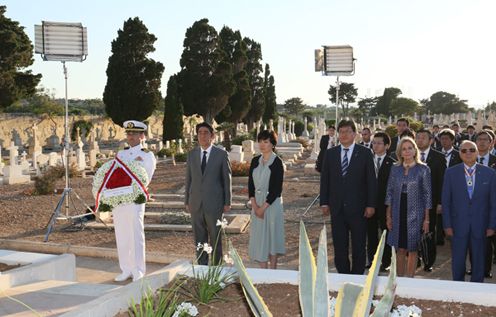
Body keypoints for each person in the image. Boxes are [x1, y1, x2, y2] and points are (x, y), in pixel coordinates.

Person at [320, 119, 377, 274]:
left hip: (359, 209)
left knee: (359, 245)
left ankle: (357, 277)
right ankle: (343, 276)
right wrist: (324, 202)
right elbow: (325, 179)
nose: (344, 135)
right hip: (337, 209)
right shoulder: (331, 153)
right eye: (341, 132)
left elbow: (371, 180)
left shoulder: (365, 153)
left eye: (347, 132)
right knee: (340, 245)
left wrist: (371, 204)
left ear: (354, 134)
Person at [442, 141, 496, 282]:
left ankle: (476, 287)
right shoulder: (450, 173)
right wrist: (447, 225)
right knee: (458, 259)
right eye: (464, 150)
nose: (468, 153)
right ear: (460, 153)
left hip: (481, 224)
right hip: (458, 224)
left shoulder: (489, 173)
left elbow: (493, 203)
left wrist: (492, 225)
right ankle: (458, 287)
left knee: (479, 259)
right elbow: (446, 202)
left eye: (472, 150)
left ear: (477, 152)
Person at [113, 120, 157, 282]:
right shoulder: (121, 154)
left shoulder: (147, 155)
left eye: (134, 134)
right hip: (119, 199)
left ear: (142, 135)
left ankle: (138, 269)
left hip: (135, 199)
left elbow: (146, 178)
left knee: (135, 233)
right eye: (128, 133)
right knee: (122, 233)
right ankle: (126, 268)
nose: (130, 136)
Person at [185, 122, 232, 265]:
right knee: (199, 238)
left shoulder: (221, 155)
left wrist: (227, 202)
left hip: (215, 203)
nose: (202, 135)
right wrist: (187, 201)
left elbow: (227, 179)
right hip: (196, 203)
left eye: (206, 132)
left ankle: (216, 267)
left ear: (212, 136)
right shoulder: (192, 155)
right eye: (200, 133)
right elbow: (189, 179)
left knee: (215, 237)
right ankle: (202, 266)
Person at [386, 137, 432, 278]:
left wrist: (427, 220)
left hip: (416, 213)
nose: (407, 151)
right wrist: (388, 216)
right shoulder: (395, 168)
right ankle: (399, 279)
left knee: (412, 248)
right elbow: (389, 192)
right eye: (404, 149)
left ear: (415, 150)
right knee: (400, 248)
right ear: (400, 152)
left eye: (409, 148)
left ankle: (410, 279)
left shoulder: (423, 169)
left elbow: (427, 195)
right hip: (397, 210)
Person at [248, 130, 285, 269]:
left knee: (272, 236)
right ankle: (263, 271)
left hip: (272, 204)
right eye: (260, 141)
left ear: (272, 144)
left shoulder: (277, 162)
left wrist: (263, 207)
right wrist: (254, 205)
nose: (262, 145)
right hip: (256, 203)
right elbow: (250, 184)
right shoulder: (254, 160)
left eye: (266, 141)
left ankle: (273, 270)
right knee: (260, 237)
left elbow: (276, 189)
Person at [416, 129, 446, 271]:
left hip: (431, 202)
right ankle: (415, 258)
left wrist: (440, 202)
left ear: (431, 140)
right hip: (412, 201)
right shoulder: (409, 154)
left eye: (423, 137)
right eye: (418, 137)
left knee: (429, 232)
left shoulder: (439, 157)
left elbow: (442, 181)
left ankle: (429, 262)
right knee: (412, 231)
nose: (420, 140)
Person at [367, 132, 395, 271]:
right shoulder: (367, 161)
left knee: (386, 232)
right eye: (374, 143)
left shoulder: (393, 163)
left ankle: (386, 261)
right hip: (369, 204)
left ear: (387, 145)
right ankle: (371, 260)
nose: (375, 146)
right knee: (370, 234)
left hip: (386, 205)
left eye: (379, 143)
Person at [475, 130, 496, 278]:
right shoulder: (466, 157)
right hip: (473, 207)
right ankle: (477, 267)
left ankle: (486, 268)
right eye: (479, 139)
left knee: (490, 240)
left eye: (485, 140)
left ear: (491, 143)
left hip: (492, 207)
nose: (482, 142)